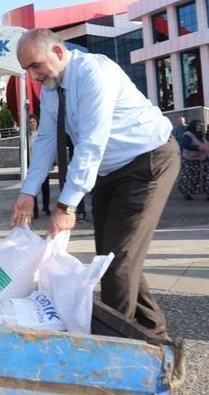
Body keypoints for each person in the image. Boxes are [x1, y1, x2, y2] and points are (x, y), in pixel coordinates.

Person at [11, 28, 179, 337]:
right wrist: (28, 191)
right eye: (26, 69)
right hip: (109, 170)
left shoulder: (93, 73)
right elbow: (47, 139)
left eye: (35, 65)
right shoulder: (51, 88)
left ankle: (112, 351)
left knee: (117, 264)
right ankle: (154, 332)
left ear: (58, 52)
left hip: (147, 160)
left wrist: (65, 205)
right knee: (111, 256)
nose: (32, 75)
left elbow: (91, 142)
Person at [177, 119, 209, 200]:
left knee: (206, 177)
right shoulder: (187, 134)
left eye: (201, 125)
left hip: (203, 159)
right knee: (189, 177)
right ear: (193, 125)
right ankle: (186, 193)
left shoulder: (202, 135)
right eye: (198, 125)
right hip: (190, 160)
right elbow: (185, 144)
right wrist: (198, 148)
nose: (199, 127)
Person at [28, 117, 51, 219]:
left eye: (34, 122)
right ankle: (35, 210)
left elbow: (48, 149)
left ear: (37, 123)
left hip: (43, 165)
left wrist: (51, 163)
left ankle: (46, 207)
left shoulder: (42, 135)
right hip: (32, 166)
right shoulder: (26, 137)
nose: (32, 124)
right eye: (30, 122)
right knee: (34, 189)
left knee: (45, 188)